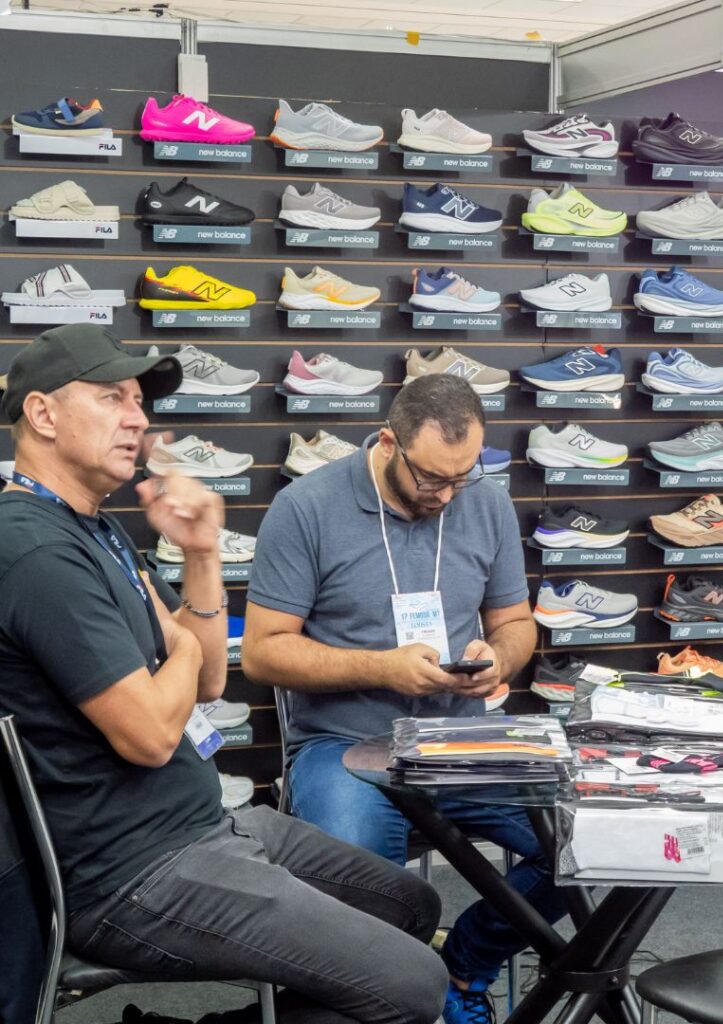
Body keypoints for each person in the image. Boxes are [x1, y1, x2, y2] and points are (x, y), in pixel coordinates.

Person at [0, 324, 448, 1024]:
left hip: (202, 823)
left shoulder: (92, 527)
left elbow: (208, 681)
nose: (138, 418)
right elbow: (152, 734)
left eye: (140, 401)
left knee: (411, 905)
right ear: (42, 413)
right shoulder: (32, 548)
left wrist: (203, 552)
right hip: (131, 872)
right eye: (113, 397)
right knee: (415, 985)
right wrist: (180, 644)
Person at [243, 374, 565, 1024]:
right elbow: (262, 653)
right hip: (342, 745)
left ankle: (463, 966)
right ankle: (395, 999)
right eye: (431, 479)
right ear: (388, 443)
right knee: (363, 888)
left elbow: (515, 623)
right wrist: (380, 668)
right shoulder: (306, 507)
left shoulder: (486, 503)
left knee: (592, 841)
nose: (445, 496)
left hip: (459, 741)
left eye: (461, 478)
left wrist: (497, 659)